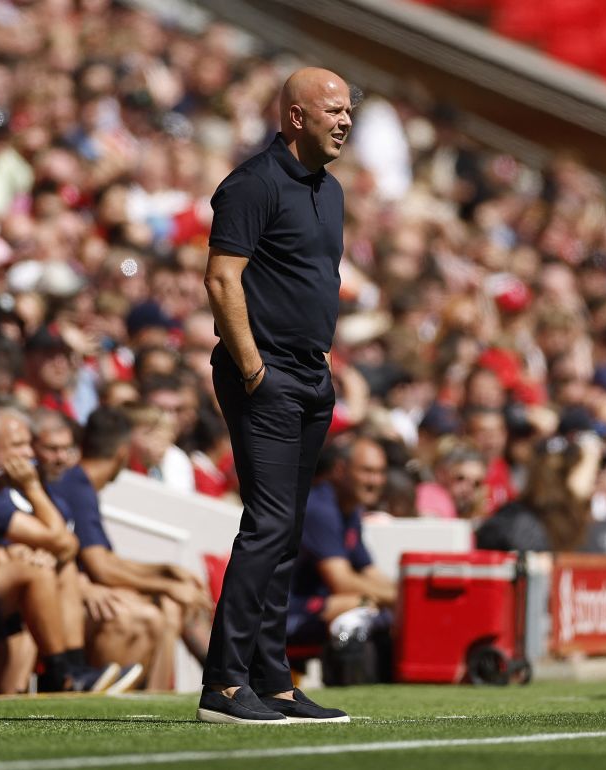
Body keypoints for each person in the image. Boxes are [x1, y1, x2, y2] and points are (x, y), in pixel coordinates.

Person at [198, 67, 355, 725]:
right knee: (266, 526)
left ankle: (273, 680)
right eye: (334, 110)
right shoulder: (253, 184)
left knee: (284, 533)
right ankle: (225, 686)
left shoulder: (332, 190)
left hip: (312, 376)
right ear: (296, 116)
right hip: (266, 378)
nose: (346, 121)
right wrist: (254, 368)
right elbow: (221, 279)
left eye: (350, 110)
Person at [45, 407, 213, 691]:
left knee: (171, 603)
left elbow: (104, 559)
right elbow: (100, 566)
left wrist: (165, 572)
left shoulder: (81, 483)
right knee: (160, 608)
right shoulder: (78, 484)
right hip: (69, 601)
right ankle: (218, 677)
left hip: (75, 594)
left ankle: (194, 686)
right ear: (123, 453)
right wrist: (165, 585)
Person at [0, 406, 118, 693]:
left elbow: (66, 545)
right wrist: (32, 487)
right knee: (38, 570)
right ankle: (64, 676)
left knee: (55, 565)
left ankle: (72, 670)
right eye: (19, 446)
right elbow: (60, 540)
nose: (28, 454)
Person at [287, 433, 397, 683]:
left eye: (380, 472)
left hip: (319, 606)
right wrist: (397, 598)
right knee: (358, 603)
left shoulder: (350, 510)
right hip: (285, 611)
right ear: (340, 469)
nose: (375, 481)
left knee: (368, 604)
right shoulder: (320, 508)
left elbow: (368, 571)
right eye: (367, 471)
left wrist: (405, 595)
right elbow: (342, 582)